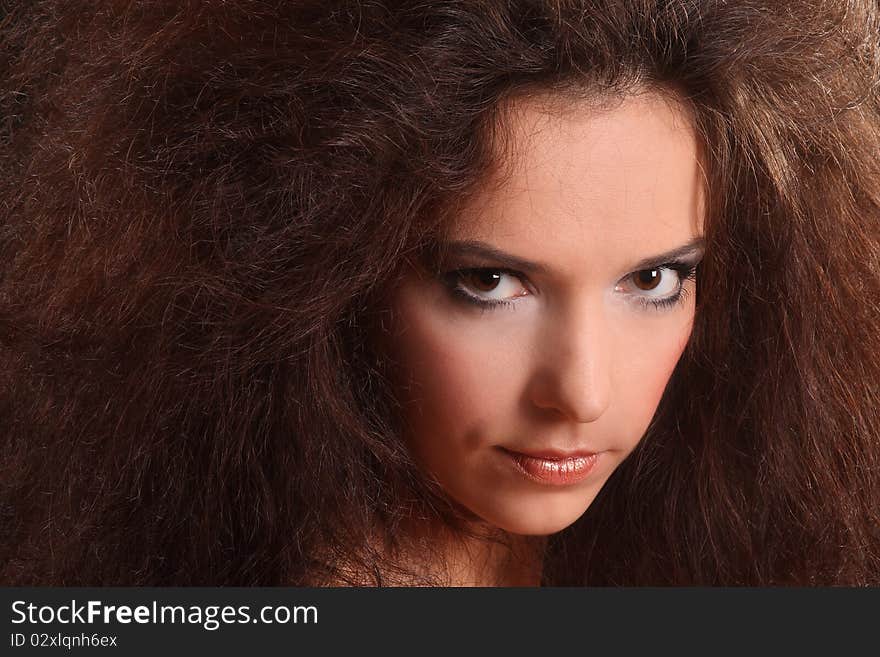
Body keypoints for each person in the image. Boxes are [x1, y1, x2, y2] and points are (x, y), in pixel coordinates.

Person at [1, 0, 878, 586]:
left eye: (653, 280)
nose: (581, 392)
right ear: (319, 275)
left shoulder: (711, 540)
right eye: (489, 283)